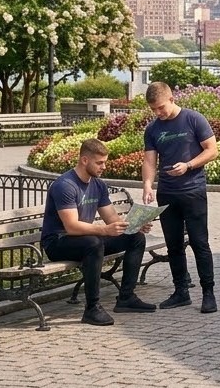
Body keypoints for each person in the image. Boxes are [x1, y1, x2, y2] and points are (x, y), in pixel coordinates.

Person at [40, 138, 156, 326]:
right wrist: (104, 230)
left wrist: (134, 226)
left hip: (84, 239)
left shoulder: (98, 185)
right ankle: (92, 308)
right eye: (99, 163)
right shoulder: (65, 185)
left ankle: (126, 297)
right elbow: (71, 226)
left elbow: (112, 219)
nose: (104, 167)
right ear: (84, 160)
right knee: (94, 243)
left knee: (135, 238)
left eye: (105, 162)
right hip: (58, 242)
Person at [141, 81, 220, 313]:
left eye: (161, 107)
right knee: (174, 245)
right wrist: (147, 185)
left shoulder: (194, 119)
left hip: (193, 191)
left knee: (199, 242)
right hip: (167, 192)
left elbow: (212, 150)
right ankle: (180, 292)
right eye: (154, 109)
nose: (158, 113)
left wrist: (189, 165)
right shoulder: (152, 129)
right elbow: (149, 161)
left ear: (172, 99)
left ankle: (208, 293)